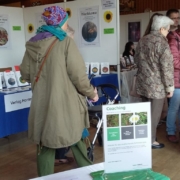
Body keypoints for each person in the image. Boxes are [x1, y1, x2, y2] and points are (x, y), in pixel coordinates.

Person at [20, 5, 99, 176]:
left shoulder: (32, 43)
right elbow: (79, 76)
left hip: (41, 104)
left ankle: (44, 178)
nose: (66, 25)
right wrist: (92, 92)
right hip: (66, 103)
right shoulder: (65, 42)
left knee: (44, 142)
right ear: (60, 22)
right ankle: (89, 174)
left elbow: (25, 73)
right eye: (65, 22)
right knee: (77, 135)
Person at [134, 15, 174, 149]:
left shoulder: (142, 40)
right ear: (162, 29)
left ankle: (145, 136)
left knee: (145, 113)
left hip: (143, 83)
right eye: (168, 30)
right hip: (157, 86)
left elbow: (136, 61)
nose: (168, 32)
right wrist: (170, 87)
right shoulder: (162, 42)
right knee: (155, 114)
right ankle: (150, 140)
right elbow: (166, 67)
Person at [166, 9, 180, 143]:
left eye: (178, 18)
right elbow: (174, 61)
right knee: (174, 107)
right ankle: (170, 131)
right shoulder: (170, 37)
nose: (176, 20)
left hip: (178, 78)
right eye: (173, 18)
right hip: (174, 79)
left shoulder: (176, 35)